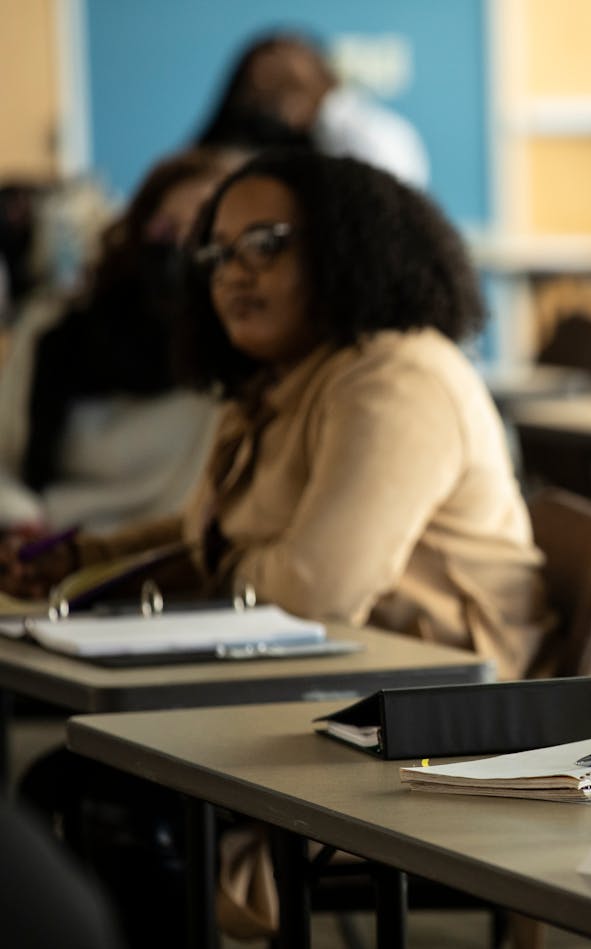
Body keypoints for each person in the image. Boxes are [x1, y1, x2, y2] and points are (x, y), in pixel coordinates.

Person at [1, 150, 551, 679]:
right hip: (328, 679)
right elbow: (209, 535)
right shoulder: (276, 378)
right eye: (217, 253)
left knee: (80, 773)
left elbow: (314, 592)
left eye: (265, 245)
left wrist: (220, 562)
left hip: (443, 714)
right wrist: (80, 560)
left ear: (346, 245)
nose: (233, 274)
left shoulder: (397, 380)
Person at [0, 147, 244, 532]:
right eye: (166, 227)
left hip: (167, 562)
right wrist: (23, 520)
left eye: (200, 230)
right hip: (46, 541)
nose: (179, 246)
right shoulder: (56, 329)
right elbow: (4, 459)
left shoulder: (235, 364)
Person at [195, 32, 429, 188]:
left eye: (285, 84)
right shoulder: (260, 159)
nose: (267, 78)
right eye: (259, 96)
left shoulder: (371, 134)